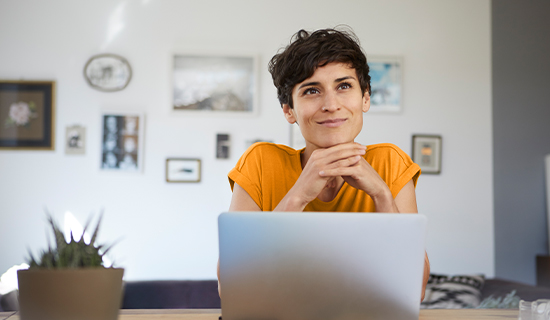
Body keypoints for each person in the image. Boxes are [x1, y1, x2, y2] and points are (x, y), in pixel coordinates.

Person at [218, 27, 430, 301]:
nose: (331, 104)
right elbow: (232, 288)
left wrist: (381, 195)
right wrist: (298, 196)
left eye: (344, 86)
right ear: (289, 110)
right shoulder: (260, 163)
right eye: (311, 91)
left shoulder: (390, 162)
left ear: (365, 98)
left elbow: (416, 289)